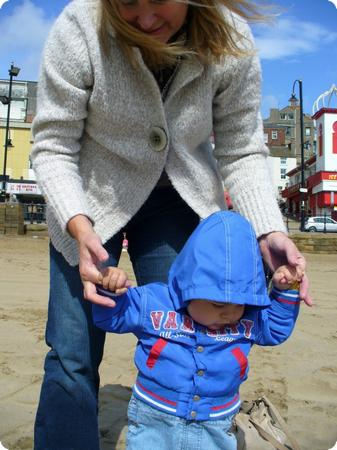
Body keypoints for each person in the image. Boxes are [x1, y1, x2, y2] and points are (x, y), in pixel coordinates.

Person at [31, 0, 312, 448]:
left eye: (158, 1)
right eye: (126, 3)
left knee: (194, 336)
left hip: (179, 198)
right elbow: (53, 145)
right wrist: (79, 226)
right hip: (88, 199)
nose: (144, 20)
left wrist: (269, 230)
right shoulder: (80, 26)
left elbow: (241, 148)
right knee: (72, 355)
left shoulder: (231, 38)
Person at [93, 211, 302, 450]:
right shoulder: (154, 303)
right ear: (189, 285)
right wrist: (111, 288)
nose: (230, 314)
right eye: (218, 305)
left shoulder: (248, 319)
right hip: (155, 418)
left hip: (216, 421)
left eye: (240, 304)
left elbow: (276, 329)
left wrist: (287, 289)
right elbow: (111, 318)